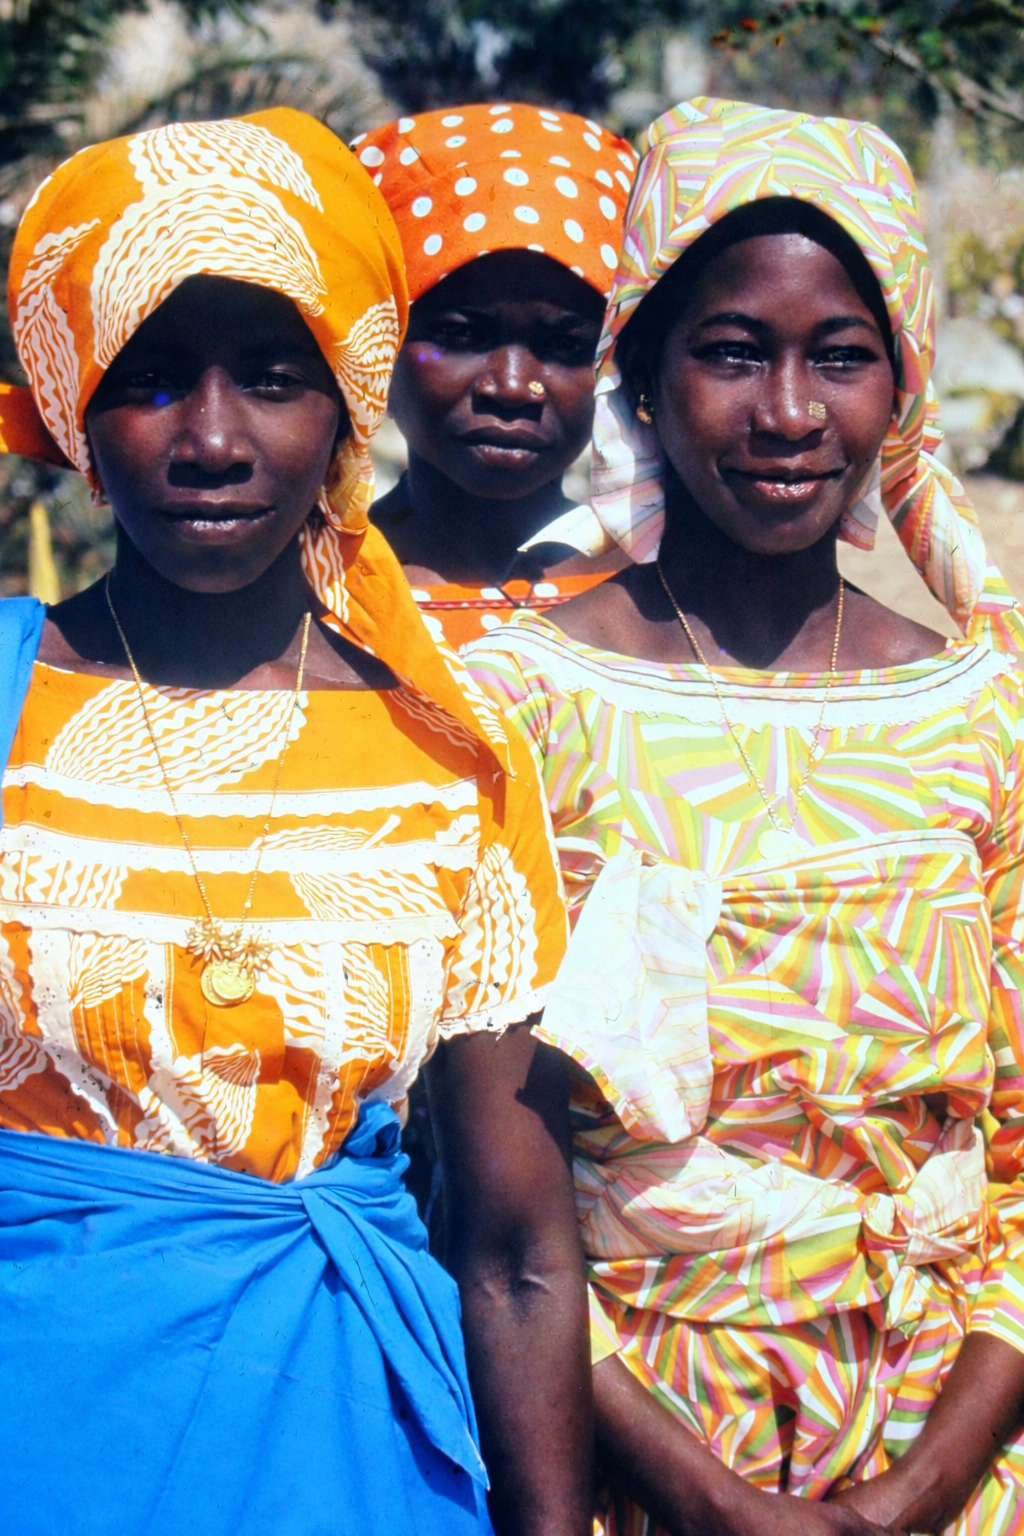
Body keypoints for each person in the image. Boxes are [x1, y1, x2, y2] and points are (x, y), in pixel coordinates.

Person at [0, 108, 592, 1536]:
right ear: (78, 409)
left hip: (345, 1441)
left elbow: (517, 1250)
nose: (212, 438)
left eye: (272, 379)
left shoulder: (446, 756)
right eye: (150, 381)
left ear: (343, 413)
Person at [467, 97, 1024, 1536]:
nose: (788, 414)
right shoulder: (523, 707)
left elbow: (1019, 1164)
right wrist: (712, 1504)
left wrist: (911, 1498)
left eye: (841, 357)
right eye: (732, 352)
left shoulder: (981, 713)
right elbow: (491, 1207)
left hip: (947, 1455)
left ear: (900, 388)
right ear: (641, 378)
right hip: (644, 1459)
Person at [356, 103, 637, 649]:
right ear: (381, 342)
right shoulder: (315, 592)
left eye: (565, 345)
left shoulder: (655, 598)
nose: (511, 387)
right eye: (462, 336)